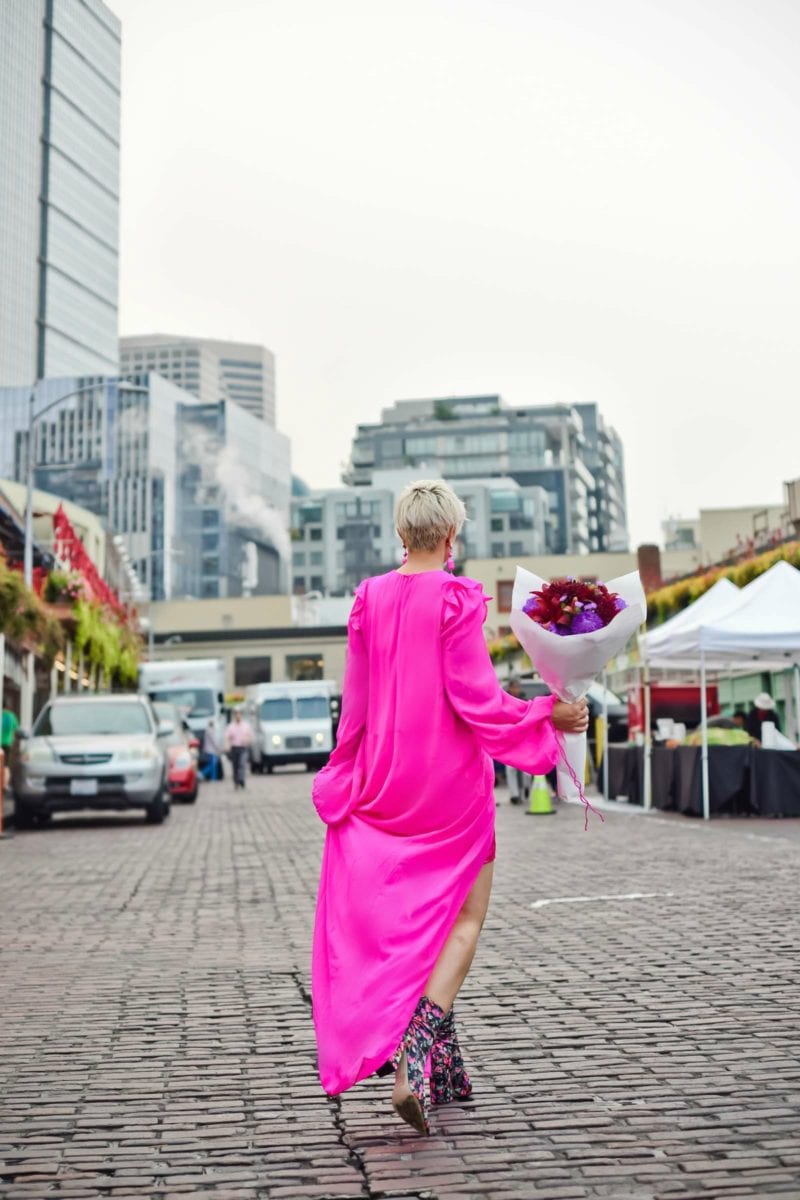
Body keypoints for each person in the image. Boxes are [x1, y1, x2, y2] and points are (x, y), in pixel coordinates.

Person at [311, 479, 588, 1135]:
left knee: (411, 925)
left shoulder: (368, 598)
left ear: (401, 536)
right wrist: (549, 712)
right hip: (450, 790)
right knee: (462, 919)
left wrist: (343, 769)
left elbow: (355, 703)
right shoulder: (459, 597)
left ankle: (445, 1073)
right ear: (453, 539)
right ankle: (414, 1051)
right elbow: (476, 698)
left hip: (383, 785)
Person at [503, 679, 527, 805]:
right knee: (511, 768)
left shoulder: (524, 699)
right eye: (515, 687)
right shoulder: (503, 699)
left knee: (526, 769)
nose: (517, 690)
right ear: (510, 687)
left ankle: (526, 788)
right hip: (509, 737)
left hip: (523, 737)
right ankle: (515, 795)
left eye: (518, 687)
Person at [224, 710, 252, 789]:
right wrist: (226, 746)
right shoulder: (231, 726)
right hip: (234, 748)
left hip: (243, 748)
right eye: (236, 714)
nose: (238, 716)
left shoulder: (246, 726)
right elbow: (227, 737)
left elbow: (250, 736)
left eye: (239, 714)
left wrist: (247, 740)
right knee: (235, 766)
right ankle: (236, 782)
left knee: (242, 764)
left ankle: (241, 779)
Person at [2, 705, 19, 792]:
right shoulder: (11, 716)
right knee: (6, 765)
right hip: (8, 743)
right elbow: (16, 728)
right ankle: (5, 784)